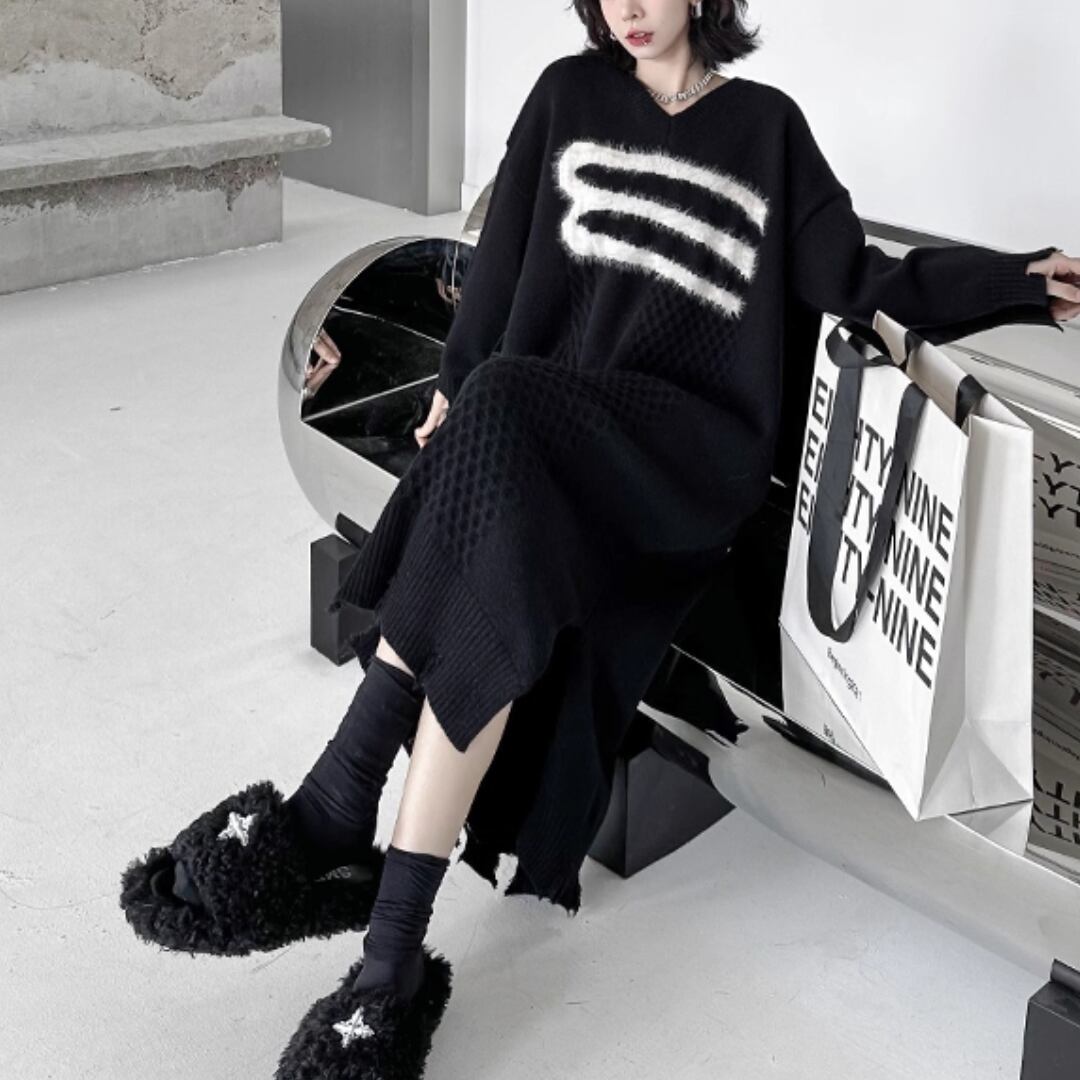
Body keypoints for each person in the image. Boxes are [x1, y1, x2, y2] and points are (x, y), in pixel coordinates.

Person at [120, 2, 1080, 1078]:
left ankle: (337, 807)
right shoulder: (566, 96)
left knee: (501, 416)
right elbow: (500, 264)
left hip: (685, 457)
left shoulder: (765, 128)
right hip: (548, 437)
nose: (628, 7)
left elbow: (862, 281)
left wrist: (1017, 283)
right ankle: (389, 954)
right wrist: (452, 393)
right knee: (488, 564)